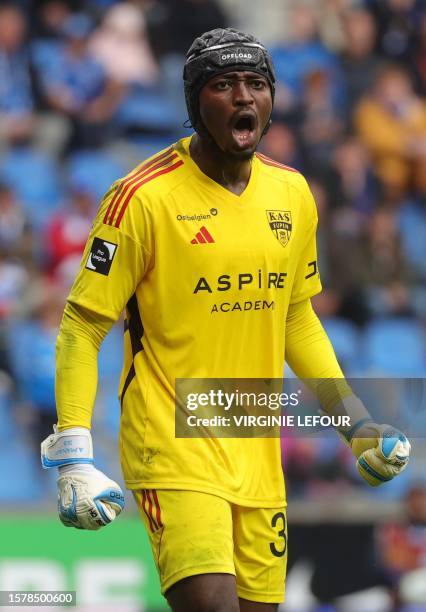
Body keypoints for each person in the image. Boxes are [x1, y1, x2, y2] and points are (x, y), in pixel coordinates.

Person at [41, 28, 411, 611]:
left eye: (257, 84)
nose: (244, 98)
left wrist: (355, 423)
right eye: (224, 85)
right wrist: (73, 450)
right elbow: (82, 326)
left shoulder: (292, 194)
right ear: (195, 103)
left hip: (255, 447)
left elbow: (296, 319)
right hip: (173, 445)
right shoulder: (140, 197)